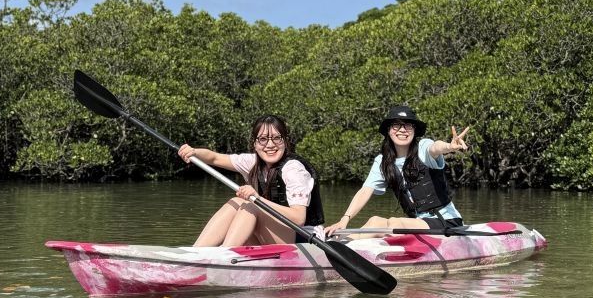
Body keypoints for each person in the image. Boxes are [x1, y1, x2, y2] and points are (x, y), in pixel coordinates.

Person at [178, 115, 325, 247]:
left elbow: (298, 218)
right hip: (277, 235)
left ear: (285, 142)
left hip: (305, 239)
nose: (270, 145)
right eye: (263, 139)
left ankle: (225, 254)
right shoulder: (253, 162)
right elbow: (214, 158)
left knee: (252, 205)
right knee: (237, 202)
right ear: (255, 143)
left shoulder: (294, 169)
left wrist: (258, 199)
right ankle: (197, 252)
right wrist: (194, 152)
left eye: (276, 138)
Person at [324, 105, 469, 238]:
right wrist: (344, 220)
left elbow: (436, 148)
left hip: (446, 222)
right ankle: (339, 245)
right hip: (416, 223)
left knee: (395, 223)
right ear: (388, 130)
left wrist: (449, 146)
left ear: (414, 130)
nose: (402, 130)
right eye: (396, 125)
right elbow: (365, 191)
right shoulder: (383, 162)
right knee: (374, 221)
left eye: (407, 125)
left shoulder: (423, 148)